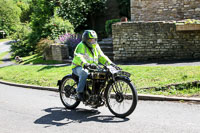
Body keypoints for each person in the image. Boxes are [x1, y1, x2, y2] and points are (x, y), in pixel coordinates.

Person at [71, 30, 114, 101]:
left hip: (91, 67)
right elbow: (78, 56)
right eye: (91, 39)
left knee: (102, 74)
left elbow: (101, 56)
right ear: (86, 40)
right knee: (84, 72)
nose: (93, 41)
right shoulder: (81, 45)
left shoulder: (96, 46)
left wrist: (111, 64)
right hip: (78, 67)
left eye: (94, 39)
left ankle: (96, 94)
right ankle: (79, 92)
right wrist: (85, 64)